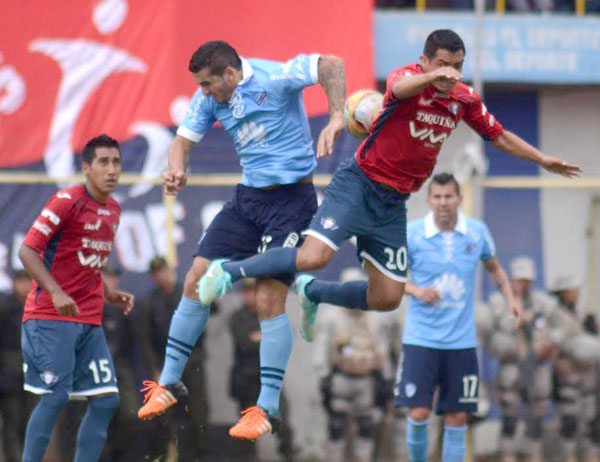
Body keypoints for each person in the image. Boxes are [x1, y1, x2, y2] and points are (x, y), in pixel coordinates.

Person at [198, 28, 580, 349]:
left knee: (387, 298)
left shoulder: (464, 99)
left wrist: (542, 159)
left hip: (393, 202)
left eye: (458, 66)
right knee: (313, 256)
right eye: (443, 64)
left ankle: (313, 292)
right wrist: (432, 78)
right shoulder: (408, 79)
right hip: (358, 184)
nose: (451, 74)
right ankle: (228, 270)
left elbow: (499, 136)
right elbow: (399, 88)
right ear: (424, 61)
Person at [136, 40, 347, 442]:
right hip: (247, 200)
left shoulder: (275, 77)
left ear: (230, 74)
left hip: (291, 201)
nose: (203, 92)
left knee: (267, 298)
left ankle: (266, 408)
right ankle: (170, 382)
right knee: (196, 278)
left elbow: (331, 63)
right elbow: (181, 142)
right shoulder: (211, 98)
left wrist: (337, 115)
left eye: (207, 84)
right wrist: (177, 169)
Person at [18, 134, 134, 462]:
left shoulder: (113, 210)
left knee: (107, 400)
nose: (112, 169)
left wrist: (109, 293)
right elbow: (27, 251)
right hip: (49, 318)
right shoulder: (66, 201)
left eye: (116, 162)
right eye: (103, 162)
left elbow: (88, 264)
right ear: (86, 168)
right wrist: (55, 291)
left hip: (90, 320)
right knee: (56, 397)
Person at [390, 173, 522, 462]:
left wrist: (511, 300)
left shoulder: (477, 231)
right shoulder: (412, 233)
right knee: (418, 412)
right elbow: (389, 278)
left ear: (459, 199)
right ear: (428, 201)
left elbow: (495, 268)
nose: (443, 202)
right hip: (421, 340)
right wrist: (416, 290)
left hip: (461, 343)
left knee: (457, 416)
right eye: (437, 197)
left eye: (448, 196)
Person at [313, 267, 396, 462]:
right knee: (336, 425)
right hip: (340, 378)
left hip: (367, 380)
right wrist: (322, 374)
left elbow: (382, 347)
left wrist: (386, 378)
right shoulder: (331, 315)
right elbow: (322, 346)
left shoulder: (374, 316)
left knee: (367, 426)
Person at [135, 256, 209, 461]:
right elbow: (146, 339)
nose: (161, 276)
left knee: (198, 413)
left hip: (191, 361)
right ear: (152, 277)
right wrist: (155, 368)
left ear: (170, 271)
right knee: (163, 416)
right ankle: (165, 454)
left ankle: (198, 455)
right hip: (166, 365)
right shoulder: (149, 303)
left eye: (163, 271)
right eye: (156, 273)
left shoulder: (188, 294)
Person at [487, 256, 558, 462]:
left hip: (537, 363)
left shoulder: (542, 301)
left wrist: (549, 343)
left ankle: (532, 453)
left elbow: (554, 326)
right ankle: (508, 453)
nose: (524, 284)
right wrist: (515, 306)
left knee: (537, 411)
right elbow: (499, 330)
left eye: (527, 280)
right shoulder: (499, 301)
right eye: (520, 280)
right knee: (509, 411)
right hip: (512, 363)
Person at [228, 278, 295, 461]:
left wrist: (260, 337)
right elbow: (245, 342)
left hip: (269, 381)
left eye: (253, 290)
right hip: (246, 380)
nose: (250, 295)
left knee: (282, 423)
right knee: (247, 430)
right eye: (246, 291)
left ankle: (288, 455)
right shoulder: (237, 317)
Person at [549, 275, 600, 462]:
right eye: (571, 291)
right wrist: (559, 364)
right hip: (568, 374)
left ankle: (591, 455)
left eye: (576, 291)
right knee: (569, 418)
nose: (575, 294)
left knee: (591, 418)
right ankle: (568, 456)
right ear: (562, 294)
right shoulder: (556, 316)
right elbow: (551, 345)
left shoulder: (585, 315)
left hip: (589, 375)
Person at [0, 270, 33, 461]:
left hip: (34, 375)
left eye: (29, 282)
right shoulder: (5, 308)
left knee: (30, 422)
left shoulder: (39, 309)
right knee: (12, 422)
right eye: (21, 281)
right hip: (9, 374)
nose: (25, 286)